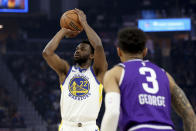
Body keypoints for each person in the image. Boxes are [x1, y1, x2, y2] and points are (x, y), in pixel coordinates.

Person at [101, 27, 196, 131]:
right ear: (145, 51)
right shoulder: (165, 75)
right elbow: (190, 115)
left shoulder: (115, 73)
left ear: (119, 51)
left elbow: (113, 113)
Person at [42, 9, 107, 131]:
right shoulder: (66, 71)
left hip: (90, 126)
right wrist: (63, 29)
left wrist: (84, 23)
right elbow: (47, 53)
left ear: (92, 55)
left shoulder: (98, 72)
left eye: (82, 48)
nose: (78, 50)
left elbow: (98, 45)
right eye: (77, 49)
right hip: (67, 126)